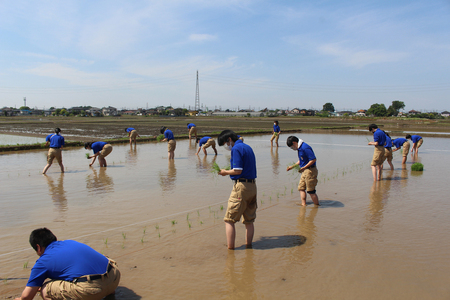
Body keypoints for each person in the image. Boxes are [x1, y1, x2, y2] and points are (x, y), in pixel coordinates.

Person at [14, 228, 120, 300]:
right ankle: (110, 294)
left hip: (93, 290)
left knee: (46, 289)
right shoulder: (70, 242)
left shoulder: (42, 261)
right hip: (114, 276)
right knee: (102, 259)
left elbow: (27, 297)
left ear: (38, 247)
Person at [217, 130, 257, 250]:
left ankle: (231, 250)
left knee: (229, 219)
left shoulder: (236, 149)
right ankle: (248, 247)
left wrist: (225, 172)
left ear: (229, 139)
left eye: (225, 143)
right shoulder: (247, 147)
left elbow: (237, 170)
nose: (226, 146)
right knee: (249, 220)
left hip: (242, 187)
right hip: (252, 186)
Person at [286, 136, 320, 206]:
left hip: (310, 170)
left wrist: (304, 167)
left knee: (311, 191)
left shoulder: (305, 147)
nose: (292, 149)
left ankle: (316, 207)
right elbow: (301, 160)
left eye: (292, 147)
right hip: (305, 170)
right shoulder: (299, 148)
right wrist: (292, 167)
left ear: (294, 143)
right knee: (301, 188)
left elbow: (313, 159)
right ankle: (303, 205)